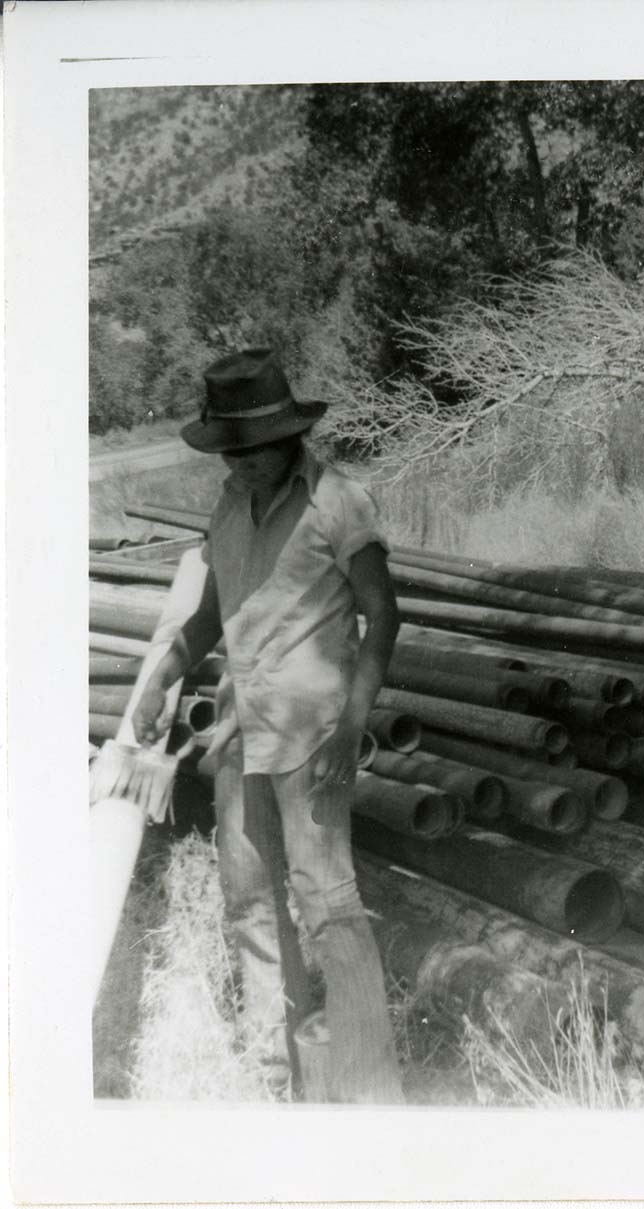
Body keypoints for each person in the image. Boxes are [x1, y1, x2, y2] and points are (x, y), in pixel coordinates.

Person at [133, 348, 404, 1103]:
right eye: (229, 453)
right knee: (249, 900)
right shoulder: (225, 509)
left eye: (250, 451)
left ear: (287, 439)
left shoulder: (338, 502)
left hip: (315, 737)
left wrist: (355, 724)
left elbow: (383, 614)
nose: (238, 466)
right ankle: (271, 1068)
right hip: (240, 735)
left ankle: (368, 1084)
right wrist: (161, 676)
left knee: (329, 907)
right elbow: (210, 614)